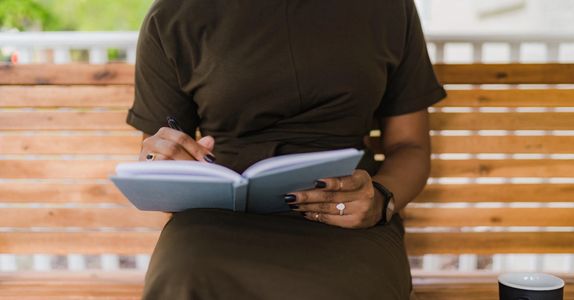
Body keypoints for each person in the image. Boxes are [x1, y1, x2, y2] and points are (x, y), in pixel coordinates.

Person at [126, 0, 446, 299]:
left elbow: (410, 146)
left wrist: (380, 199)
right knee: (183, 277)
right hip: (215, 221)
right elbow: (158, 151)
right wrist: (161, 163)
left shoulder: (387, 8)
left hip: (348, 217)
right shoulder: (174, 14)